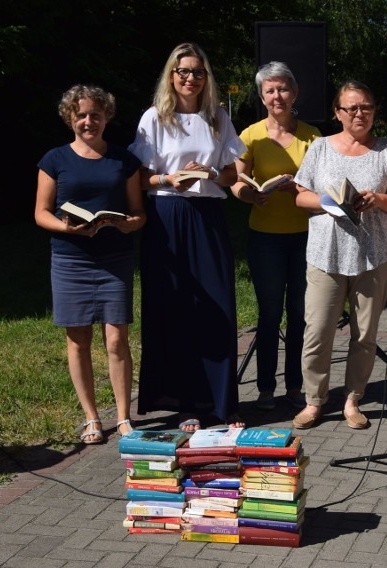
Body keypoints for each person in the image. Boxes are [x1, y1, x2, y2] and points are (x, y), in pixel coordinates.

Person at [128, 42, 246, 432]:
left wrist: (211, 175)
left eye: (197, 71)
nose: (190, 78)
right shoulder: (154, 118)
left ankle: (221, 401)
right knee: (176, 307)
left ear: (206, 77)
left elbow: (230, 173)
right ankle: (184, 401)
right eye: (183, 72)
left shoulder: (217, 117)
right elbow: (140, 176)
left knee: (218, 304)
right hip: (168, 215)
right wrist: (170, 178)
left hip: (208, 215)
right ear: (171, 76)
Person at [290, 80, 387, 430]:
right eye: (351, 108)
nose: (360, 114)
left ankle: (353, 399)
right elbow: (299, 195)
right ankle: (314, 401)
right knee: (318, 331)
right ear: (338, 113)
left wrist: (378, 200)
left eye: (366, 107)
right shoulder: (321, 148)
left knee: (365, 334)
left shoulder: (386, 151)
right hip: (326, 254)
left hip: (373, 255)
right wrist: (329, 203)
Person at [35, 85, 146, 444]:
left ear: (106, 117)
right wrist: (69, 228)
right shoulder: (54, 159)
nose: (88, 121)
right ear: (70, 117)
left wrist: (131, 223)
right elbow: (40, 213)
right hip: (71, 258)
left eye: (95, 115)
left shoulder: (123, 160)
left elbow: (138, 212)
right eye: (81, 115)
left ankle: (124, 416)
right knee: (78, 338)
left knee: (117, 339)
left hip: (115, 257)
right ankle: (91, 418)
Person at [230, 62, 321, 411]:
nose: (277, 96)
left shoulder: (313, 135)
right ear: (261, 95)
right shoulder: (250, 135)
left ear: (294, 93)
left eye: (283, 88)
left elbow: (322, 182)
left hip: (306, 236)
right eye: (270, 90)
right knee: (269, 315)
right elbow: (237, 180)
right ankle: (266, 388)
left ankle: (295, 387)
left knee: (299, 314)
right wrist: (251, 194)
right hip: (264, 236)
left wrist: (298, 187)